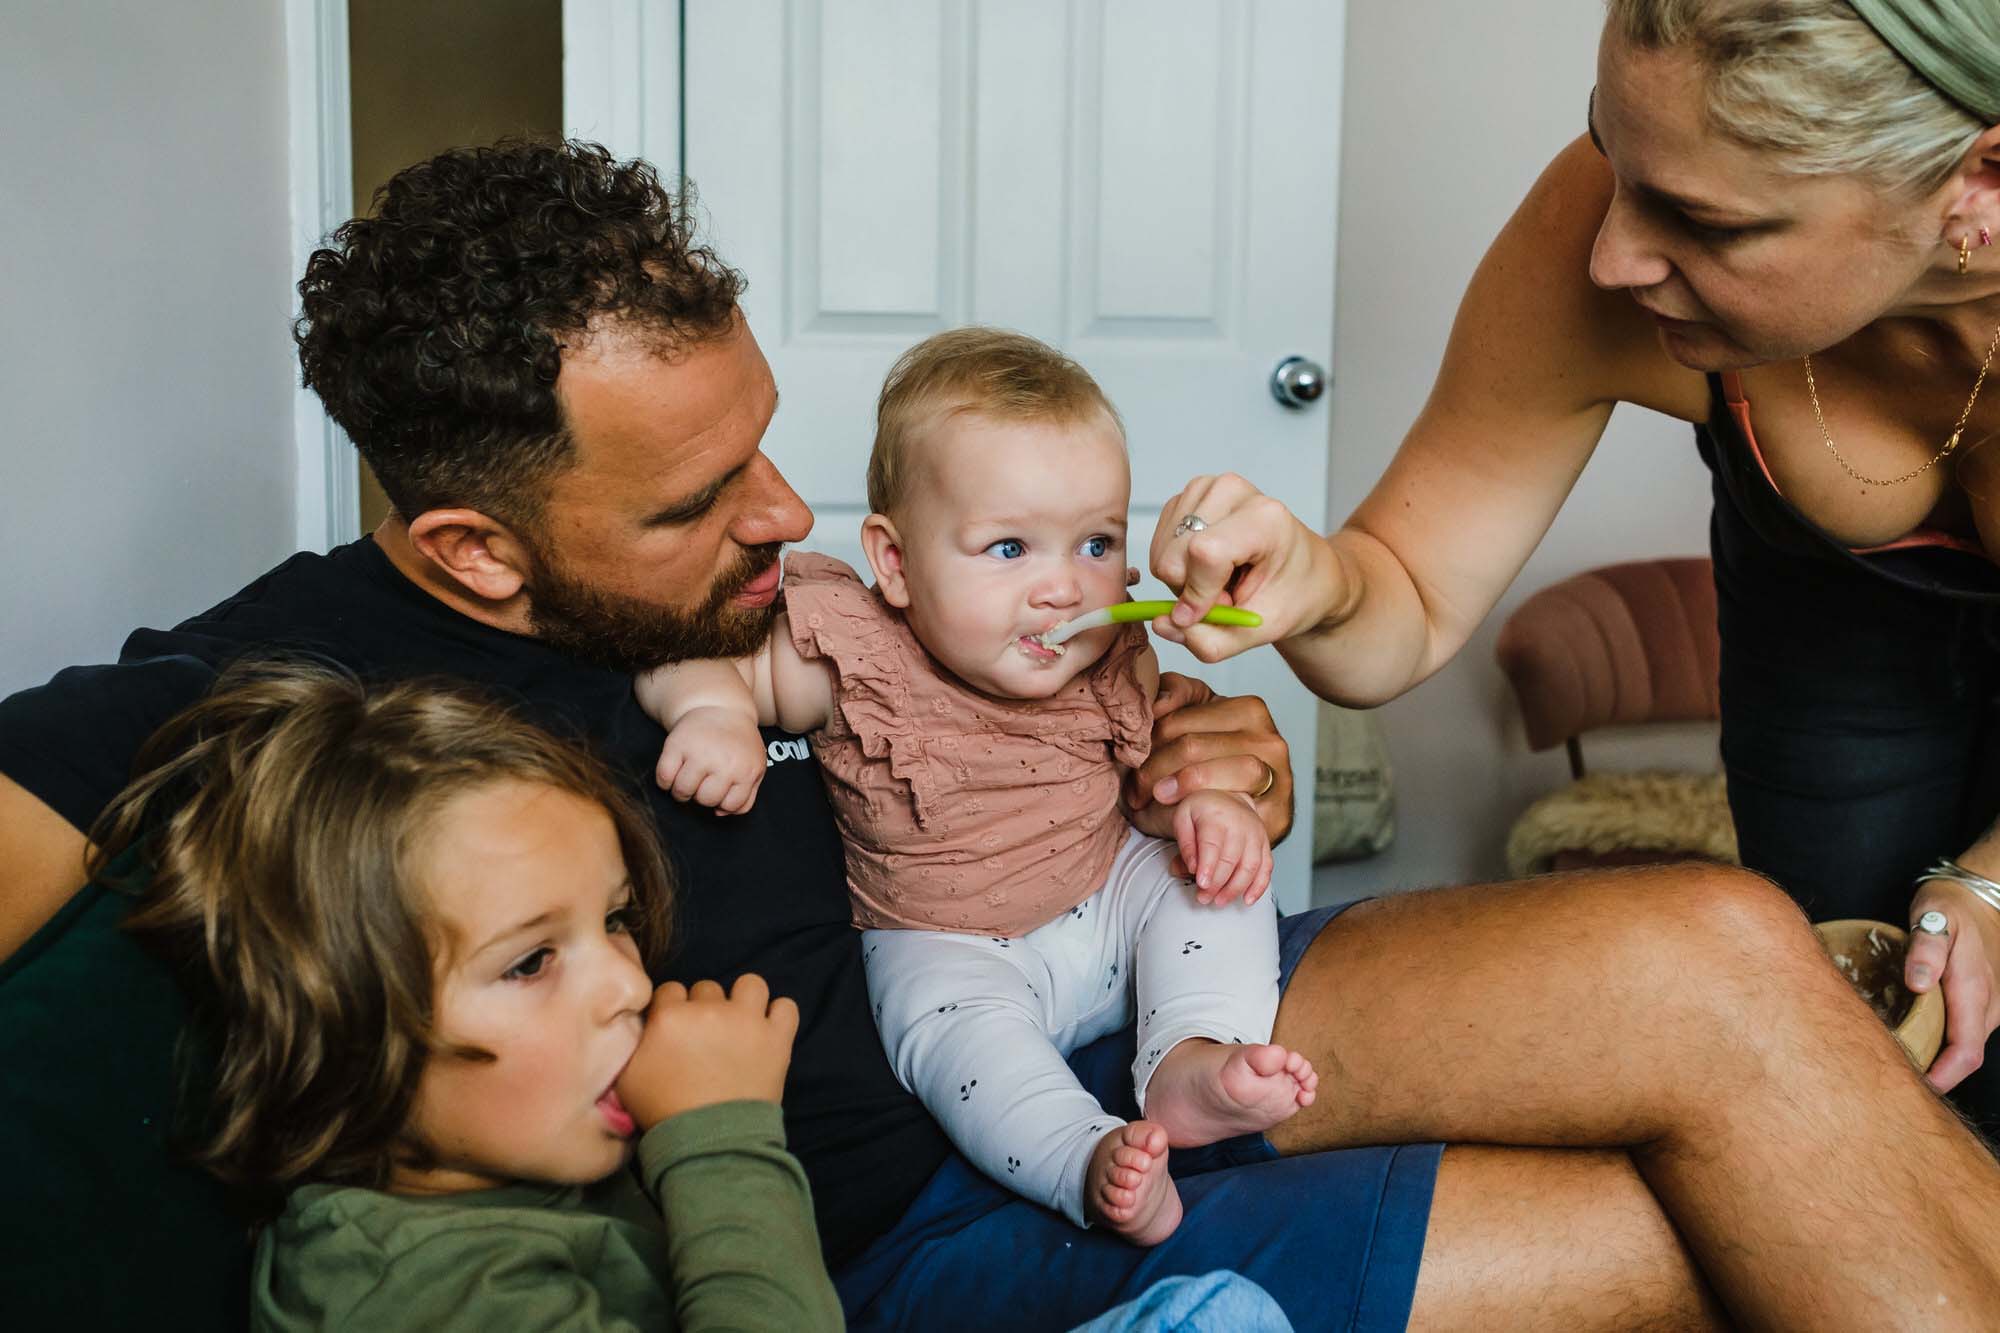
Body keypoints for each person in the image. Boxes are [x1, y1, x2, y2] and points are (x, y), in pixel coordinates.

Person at [3, 137, 2000, 1331]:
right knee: (1701, 1236)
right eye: (696, 505)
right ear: (474, 551)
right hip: (919, 1217)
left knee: (1721, 943)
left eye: (764, 445)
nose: (782, 516)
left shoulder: (830, 589)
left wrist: (1213, 758)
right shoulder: (274, 686)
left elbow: (1059, 687)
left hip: (1133, 991)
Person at [1148, 0, 2000, 1127]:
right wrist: (1317, 582)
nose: (1610, 256)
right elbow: (1401, 592)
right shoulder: (1592, 241)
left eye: (1707, 222)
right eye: (1608, 148)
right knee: (1860, 1037)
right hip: (1829, 644)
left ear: (1979, 181)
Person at [637, 327, 1314, 1245]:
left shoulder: (1111, 650)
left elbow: (1153, 776)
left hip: (1104, 898)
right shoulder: (857, 655)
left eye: (1094, 542)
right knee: (953, 1041)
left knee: (1215, 883)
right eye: (1008, 549)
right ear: (897, 563)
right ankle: (1087, 1157)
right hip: (952, 942)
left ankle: (1192, 1057)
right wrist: (711, 716)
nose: (1063, 590)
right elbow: (696, 657)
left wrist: (1208, 809)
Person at [87, 661, 839, 1330]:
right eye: (530, 962)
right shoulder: (420, 1291)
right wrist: (722, 1139)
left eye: (614, 919)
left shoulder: (523, 1161)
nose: (632, 983)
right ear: (344, 1023)